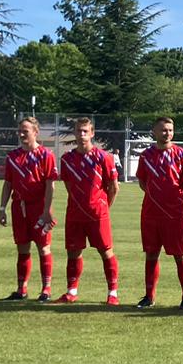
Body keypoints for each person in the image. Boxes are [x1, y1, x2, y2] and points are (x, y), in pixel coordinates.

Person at [134, 116, 183, 309]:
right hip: (150, 214)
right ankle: (149, 296)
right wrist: (156, 196)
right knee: (151, 255)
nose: (167, 133)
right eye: (163, 130)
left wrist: (175, 198)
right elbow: (143, 181)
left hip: (174, 214)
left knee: (180, 254)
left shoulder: (181, 155)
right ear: (154, 131)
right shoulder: (146, 156)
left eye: (170, 130)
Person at [55, 117, 119, 305]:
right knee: (73, 252)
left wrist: (104, 207)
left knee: (105, 252)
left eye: (85, 131)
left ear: (92, 133)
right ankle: (71, 292)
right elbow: (68, 184)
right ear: (74, 133)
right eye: (78, 131)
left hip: (98, 213)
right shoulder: (67, 159)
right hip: (75, 213)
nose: (81, 134)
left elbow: (113, 187)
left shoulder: (104, 157)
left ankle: (113, 293)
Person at [0, 116, 57, 302]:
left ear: (36, 132)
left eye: (26, 131)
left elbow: (50, 185)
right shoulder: (13, 156)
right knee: (22, 248)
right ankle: (21, 289)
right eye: (20, 131)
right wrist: (2, 208)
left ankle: (46, 289)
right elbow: (8, 184)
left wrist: (47, 210)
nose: (22, 134)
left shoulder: (46, 155)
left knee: (43, 248)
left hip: (39, 208)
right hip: (19, 208)